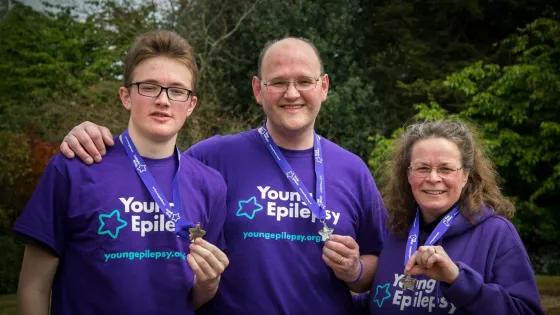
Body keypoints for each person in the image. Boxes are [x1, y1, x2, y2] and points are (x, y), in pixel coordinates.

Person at [57, 37, 387, 314]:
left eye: (304, 81)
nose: (291, 93)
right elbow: (145, 165)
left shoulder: (353, 169)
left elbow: (384, 265)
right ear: (258, 90)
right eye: (278, 82)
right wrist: (90, 137)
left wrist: (356, 270)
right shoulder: (212, 157)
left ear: (324, 87)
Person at [13, 30, 229, 315]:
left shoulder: (210, 185)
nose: (163, 100)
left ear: (190, 105)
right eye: (149, 87)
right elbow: (33, 287)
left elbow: (195, 297)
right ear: (126, 96)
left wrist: (209, 284)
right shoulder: (76, 167)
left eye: (177, 90)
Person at [366, 119, 544, 314]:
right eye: (422, 168)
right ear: (408, 174)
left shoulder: (496, 233)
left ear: (465, 176)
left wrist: (459, 280)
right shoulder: (394, 229)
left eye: (446, 169)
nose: (433, 178)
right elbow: (379, 302)